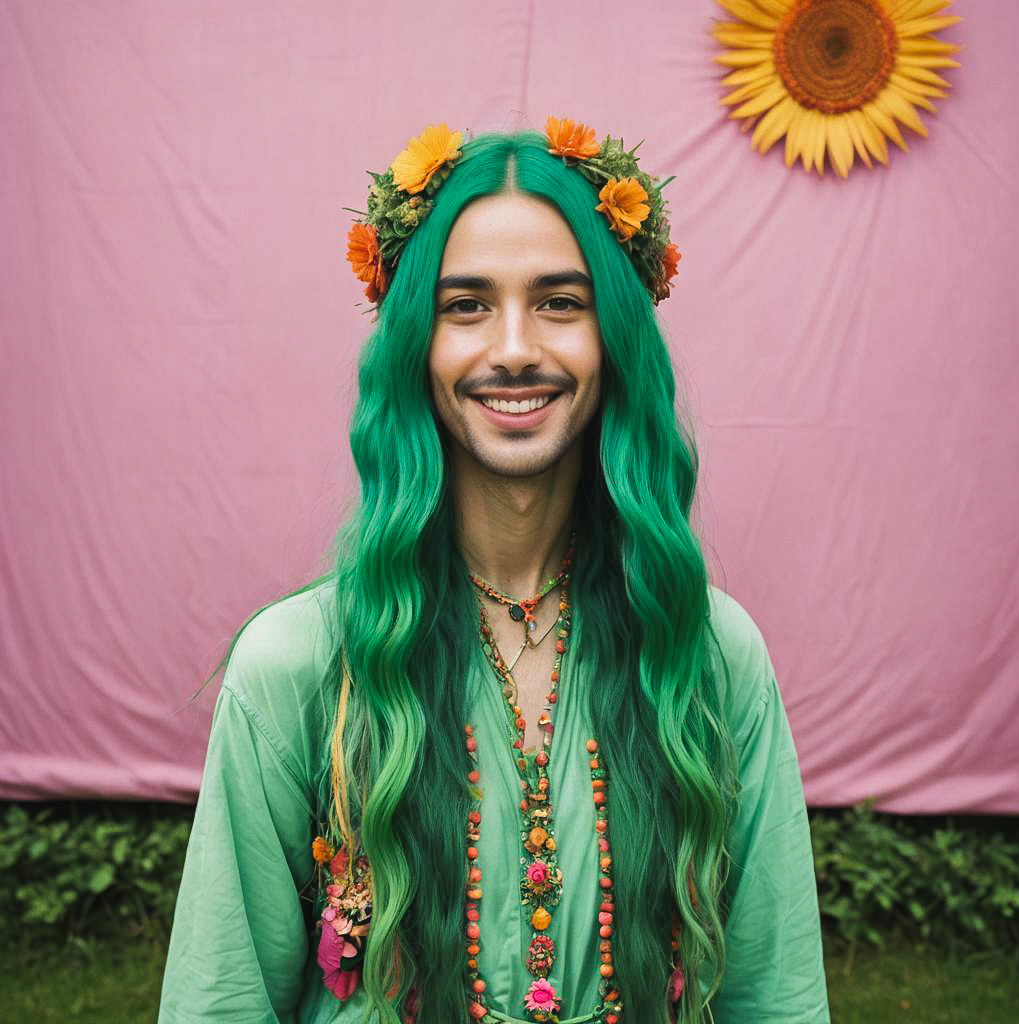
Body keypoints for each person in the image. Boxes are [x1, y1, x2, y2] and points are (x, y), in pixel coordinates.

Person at [159, 119, 830, 1023]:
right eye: (465, 304)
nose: (513, 346)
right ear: (415, 347)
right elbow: (220, 1001)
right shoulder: (297, 667)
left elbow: (775, 996)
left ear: (616, 339)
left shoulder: (709, 654)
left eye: (560, 301)